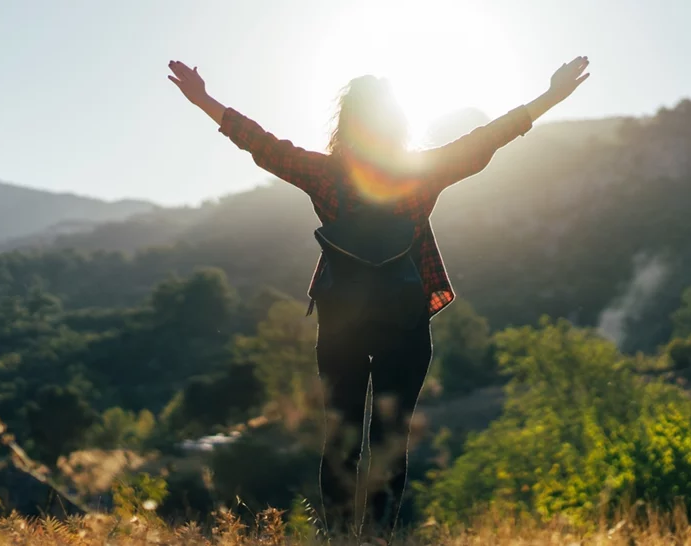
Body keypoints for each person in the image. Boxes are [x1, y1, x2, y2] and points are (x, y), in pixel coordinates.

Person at [167, 55, 590, 538]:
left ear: (346, 123)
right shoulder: (421, 172)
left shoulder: (325, 175)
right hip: (406, 323)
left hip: (342, 324)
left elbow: (262, 145)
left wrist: (203, 100)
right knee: (391, 440)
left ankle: (339, 538)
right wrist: (551, 96)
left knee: (340, 438)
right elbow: (486, 138)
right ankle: (377, 538)